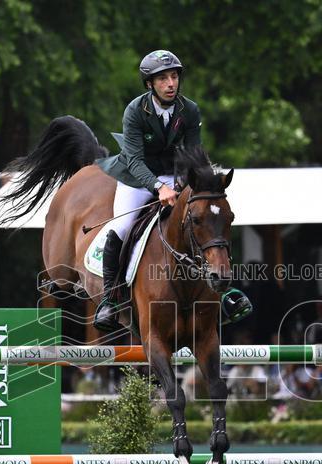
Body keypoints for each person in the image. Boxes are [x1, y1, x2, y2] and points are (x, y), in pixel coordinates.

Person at [93, 50, 250, 331]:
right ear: (150, 84)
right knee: (122, 227)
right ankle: (110, 299)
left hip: (175, 175)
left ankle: (224, 292)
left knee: (206, 220)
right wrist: (157, 186)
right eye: (163, 78)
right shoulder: (134, 111)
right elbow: (134, 159)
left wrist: (201, 183)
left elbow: (194, 153)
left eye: (174, 76)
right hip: (136, 176)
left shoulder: (189, 109)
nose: (170, 83)